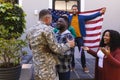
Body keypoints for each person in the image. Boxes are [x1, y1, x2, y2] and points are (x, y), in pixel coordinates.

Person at [26, 9, 75, 80]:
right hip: (47, 69)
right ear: (47, 18)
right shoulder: (47, 30)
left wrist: (47, 49)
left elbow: (31, 46)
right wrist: (68, 45)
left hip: (37, 67)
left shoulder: (30, 30)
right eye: (51, 19)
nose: (52, 22)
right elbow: (56, 49)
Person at [68, 4, 106, 73]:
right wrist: (50, 14)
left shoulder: (82, 17)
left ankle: (84, 66)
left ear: (77, 10)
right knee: (71, 53)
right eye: (73, 9)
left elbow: (91, 16)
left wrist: (100, 12)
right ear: (71, 10)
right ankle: (72, 66)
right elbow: (59, 17)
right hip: (71, 38)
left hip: (80, 37)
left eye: (75, 9)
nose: (74, 10)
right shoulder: (68, 17)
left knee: (82, 52)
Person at [54, 15, 74, 80]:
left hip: (63, 69)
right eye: (57, 21)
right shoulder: (55, 34)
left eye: (60, 21)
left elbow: (69, 54)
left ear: (66, 24)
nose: (58, 22)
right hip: (54, 68)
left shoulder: (69, 36)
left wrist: (54, 52)